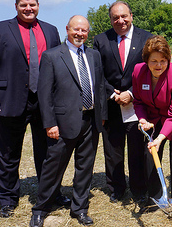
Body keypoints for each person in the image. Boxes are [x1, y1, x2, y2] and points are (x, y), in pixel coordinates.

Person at [0, 0, 70, 218]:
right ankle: (8, 198)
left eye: (32, 5)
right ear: (16, 6)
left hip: (44, 102)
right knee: (8, 153)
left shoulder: (50, 30)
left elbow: (58, 64)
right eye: (23, 5)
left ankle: (51, 193)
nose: (28, 9)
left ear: (38, 5)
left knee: (49, 152)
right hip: (10, 100)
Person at [29, 15, 107, 227]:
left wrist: (102, 116)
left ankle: (79, 208)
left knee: (85, 168)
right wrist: (50, 123)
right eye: (76, 29)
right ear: (67, 29)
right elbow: (44, 95)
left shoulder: (94, 55)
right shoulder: (52, 56)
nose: (80, 34)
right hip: (62, 124)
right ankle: (40, 209)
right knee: (53, 168)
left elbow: (99, 87)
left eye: (84, 30)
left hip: (91, 121)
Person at [133, 35, 172, 227]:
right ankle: (156, 197)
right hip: (154, 116)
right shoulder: (138, 72)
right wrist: (142, 119)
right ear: (146, 61)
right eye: (154, 61)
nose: (158, 65)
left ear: (168, 59)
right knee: (150, 153)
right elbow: (138, 101)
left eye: (163, 61)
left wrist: (160, 138)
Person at [93, 1, 152, 203]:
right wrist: (113, 94)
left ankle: (139, 189)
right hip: (111, 104)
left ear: (131, 15)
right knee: (112, 149)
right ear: (110, 19)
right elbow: (97, 73)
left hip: (137, 104)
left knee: (137, 149)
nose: (120, 21)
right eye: (115, 17)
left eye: (124, 16)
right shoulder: (101, 40)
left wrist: (131, 93)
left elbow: (151, 71)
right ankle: (116, 187)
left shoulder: (147, 38)